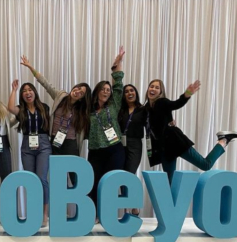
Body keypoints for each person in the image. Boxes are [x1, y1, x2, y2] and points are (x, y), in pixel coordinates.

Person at [144, 79, 237, 183]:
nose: (153, 89)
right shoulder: (146, 108)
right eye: (151, 86)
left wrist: (188, 93)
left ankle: (223, 140)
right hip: (165, 149)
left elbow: (176, 104)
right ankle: (171, 199)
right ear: (148, 89)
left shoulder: (161, 102)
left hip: (176, 142)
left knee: (205, 165)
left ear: (161, 92)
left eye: (157, 87)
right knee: (168, 181)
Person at [20, 56, 91, 188]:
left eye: (81, 93)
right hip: (54, 142)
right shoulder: (60, 96)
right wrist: (30, 67)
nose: (77, 92)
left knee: (73, 175)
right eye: (77, 88)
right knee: (58, 177)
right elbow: (45, 83)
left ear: (82, 98)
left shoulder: (81, 111)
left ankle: (78, 205)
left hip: (70, 144)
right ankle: (60, 207)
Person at [87, 46, 126, 217]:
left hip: (114, 149)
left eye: (108, 90)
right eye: (103, 89)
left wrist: (117, 65)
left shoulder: (114, 104)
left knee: (110, 182)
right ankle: (95, 213)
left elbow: (118, 84)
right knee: (93, 183)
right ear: (97, 91)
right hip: (95, 151)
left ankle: (108, 214)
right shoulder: (87, 109)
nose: (106, 91)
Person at [7, 80, 52, 227]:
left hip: (43, 143)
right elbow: (10, 108)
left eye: (29, 90)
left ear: (34, 92)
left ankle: (45, 213)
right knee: (31, 180)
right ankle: (34, 212)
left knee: (42, 179)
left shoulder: (44, 107)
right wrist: (14, 90)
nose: (27, 92)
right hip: (27, 145)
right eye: (24, 91)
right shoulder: (21, 110)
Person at [118, 84, 146, 216]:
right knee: (121, 175)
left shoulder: (143, 109)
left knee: (129, 173)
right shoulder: (121, 110)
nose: (129, 93)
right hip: (120, 144)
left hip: (135, 144)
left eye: (131, 90)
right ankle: (124, 208)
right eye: (126, 91)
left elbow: (154, 122)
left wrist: (169, 121)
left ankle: (134, 204)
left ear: (136, 92)